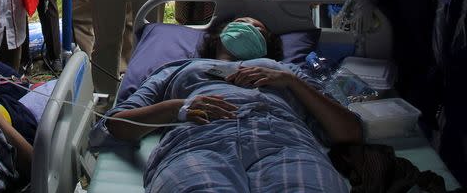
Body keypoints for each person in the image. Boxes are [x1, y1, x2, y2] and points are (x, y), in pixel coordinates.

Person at [94, 16, 362, 193]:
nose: (247, 26)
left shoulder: (287, 72)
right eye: (240, 23)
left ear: (267, 44)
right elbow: (117, 125)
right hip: (197, 142)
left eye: (258, 28)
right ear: (219, 34)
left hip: (284, 143)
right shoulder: (178, 68)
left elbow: (349, 132)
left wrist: (291, 82)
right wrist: (178, 107)